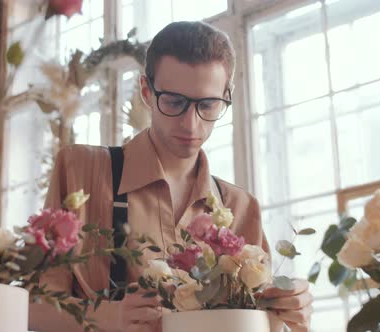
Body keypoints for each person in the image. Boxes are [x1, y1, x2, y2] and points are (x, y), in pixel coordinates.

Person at [29, 21, 313, 332]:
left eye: (207, 105)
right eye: (175, 102)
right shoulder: (80, 168)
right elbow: (30, 308)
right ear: (146, 92)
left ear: (225, 95)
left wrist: (289, 310)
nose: (191, 125)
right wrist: (110, 316)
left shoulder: (241, 207)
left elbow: (257, 323)